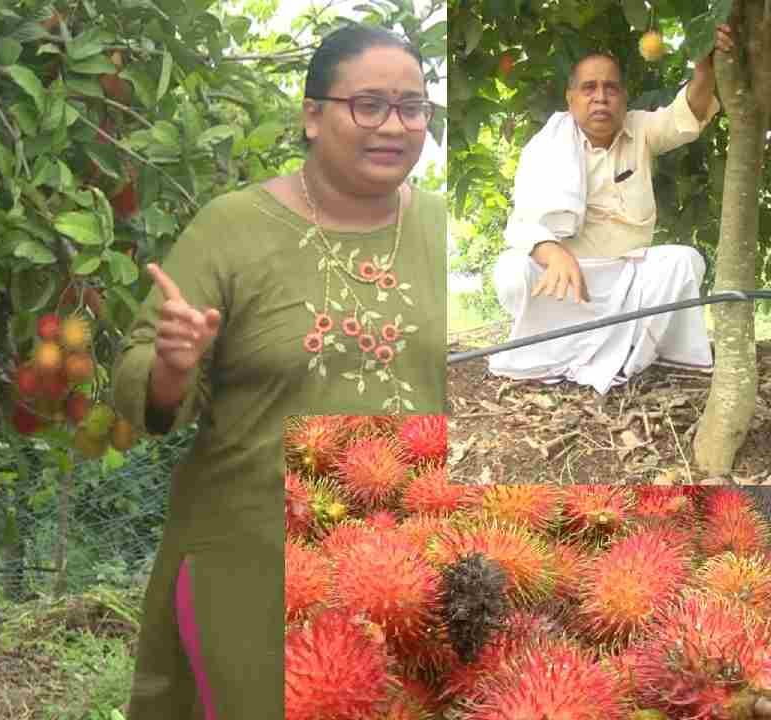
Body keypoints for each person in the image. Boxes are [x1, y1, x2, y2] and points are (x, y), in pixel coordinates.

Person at [110, 21, 447, 720]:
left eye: (412, 107)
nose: (394, 125)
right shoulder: (231, 227)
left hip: (414, 561)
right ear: (313, 116)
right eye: (369, 105)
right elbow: (138, 378)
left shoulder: (442, 227)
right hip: (254, 562)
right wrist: (173, 365)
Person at [488, 26, 735, 394]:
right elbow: (523, 223)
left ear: (623, 97)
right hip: (569, 285)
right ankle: (600, 349)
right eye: (589, 88)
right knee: (510, 271)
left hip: (630, 280)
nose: (600, 97)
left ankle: (625, 351)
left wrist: (705, 68)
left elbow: (688, 115)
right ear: (570, 98)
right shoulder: (545, 146)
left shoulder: (640, 128)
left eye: (611, 88)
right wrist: (553, 253)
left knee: (685, 261)